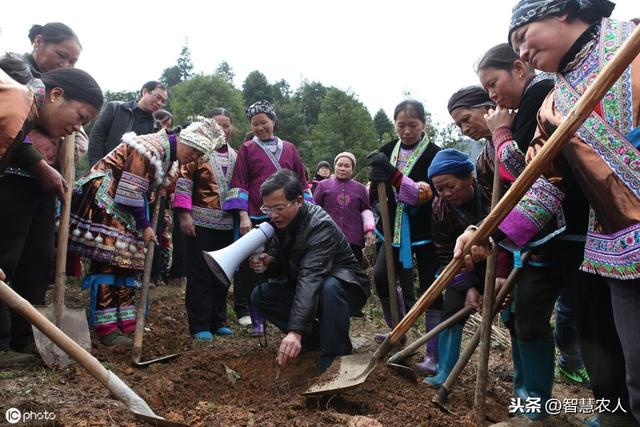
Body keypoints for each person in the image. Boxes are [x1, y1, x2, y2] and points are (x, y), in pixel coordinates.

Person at [457, 1, 640, 423]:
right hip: (620, 251)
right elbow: (540, 184)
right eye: (514, 46)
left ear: (563, 13)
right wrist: (488, 235)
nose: (521, 52)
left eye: (524, 37)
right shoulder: (551, 106)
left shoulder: (632, 41)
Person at [69, 118, 224, 346]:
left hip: (127, 204)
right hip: (107, 196)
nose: (194, 157)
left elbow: (150, 189)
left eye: (199, 155)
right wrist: (145, 226)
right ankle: (107, 326)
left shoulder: (169, 157)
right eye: (193, 151)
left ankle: (128, 320)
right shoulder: (149, 148)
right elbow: (131, 190)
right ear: (182, 140)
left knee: (128, 261)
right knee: (110, 260)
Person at [0, 62, 103, 367]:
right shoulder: (17, 101)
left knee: (36, 261)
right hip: (13, 185)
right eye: (79, 117)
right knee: (6, 259)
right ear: (57, 94)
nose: (77, 127)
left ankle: (24, 338)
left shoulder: (30, 108)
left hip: (41, 194)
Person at [250, 169, 370, 371]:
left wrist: (294, 330)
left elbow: (310, 278)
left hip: (346, 287)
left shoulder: (319, 226)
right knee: (261, 295)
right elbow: (282, 263)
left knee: (329, 287)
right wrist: (269, 262)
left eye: (279, 208)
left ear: (298, 200)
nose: (273, 215)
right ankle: (314, 338)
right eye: (267, 209)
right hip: (310, 284)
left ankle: (335, 361)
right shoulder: (280, 224)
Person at [223, 100, 312, 335]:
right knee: (254, 265)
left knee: (285, 262)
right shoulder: (247, 149)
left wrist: (308, 213)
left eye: (264, 122)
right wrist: (243, 216)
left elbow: (301, 182)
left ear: (273, 121)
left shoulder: (290, 148)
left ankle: (288, 313)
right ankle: (252, 315)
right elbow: (239, 183)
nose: (260, 128)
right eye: (255, 124)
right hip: (257, 214)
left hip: (288, 215)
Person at [367, 100, 439, 356]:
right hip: (391, 229)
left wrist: (394, 176)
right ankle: (396, 331)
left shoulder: (434, 154)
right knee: (381, 275)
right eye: (401, 125)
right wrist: (375, 187)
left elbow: (424, 193)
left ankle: (433, 351)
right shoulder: (387, 150)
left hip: (425, 229)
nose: (407, 131)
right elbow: (374, 194)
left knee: (431, 285)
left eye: (413, 125)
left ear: (423, 124)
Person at [425, 149, 491, 385]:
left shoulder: (490, 194)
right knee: (451, 311)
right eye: (439, 189)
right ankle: (444, 372)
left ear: (468, 178)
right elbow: (444, 251)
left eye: (449, 186)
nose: (444, 194)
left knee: (515, 320)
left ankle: (524, 390)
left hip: (498, 263)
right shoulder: (439, 208)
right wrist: (469, 287)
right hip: (461, 266)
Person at [173, 108, 237, 341]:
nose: (221, 130)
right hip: (199, 221)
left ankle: (218, 319)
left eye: (226, 125)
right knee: (199, 272)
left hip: (227, 224)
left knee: (222, 272)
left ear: (232, 128)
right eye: (216, 125)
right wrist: (184, 215)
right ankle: (199, 323)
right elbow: (183, 181)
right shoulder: (197, 154)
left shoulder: (236, 156)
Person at [313, 152, 375, 264]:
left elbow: (366, 210)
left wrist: (369, 230)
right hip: (327, 238)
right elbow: (314, 209)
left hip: (353, 239)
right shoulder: (323, 186)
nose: (342, 168)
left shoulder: (360, 189)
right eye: (340, 165)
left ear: (352, 169)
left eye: (347, 166)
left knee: (353, 273)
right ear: (335, 166)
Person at [87, 80, 168, 166]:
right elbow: (97, 136)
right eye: (158, 97)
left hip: (134, 176)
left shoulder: (156, 127)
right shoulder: (116, 108)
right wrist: (96, 166)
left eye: (163, 101)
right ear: (144, 92)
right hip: (106, 168)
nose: (159, 103)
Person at [447, 85, 500, 199]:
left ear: (487, 107)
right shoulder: (482, 163)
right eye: (459, 125)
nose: (464, 129)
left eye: (466, 119)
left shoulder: (523, 130)